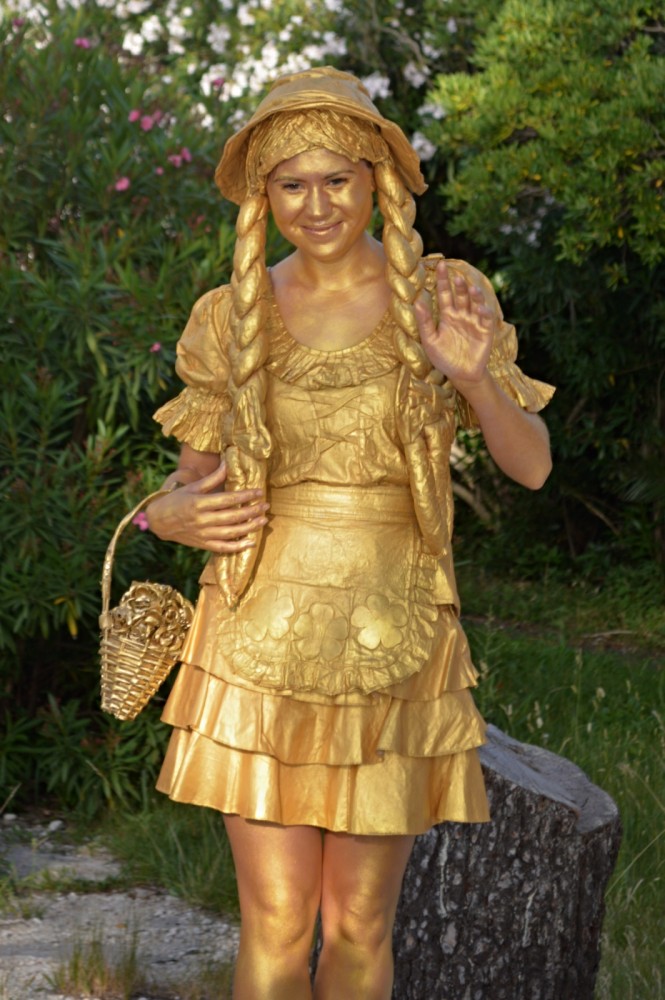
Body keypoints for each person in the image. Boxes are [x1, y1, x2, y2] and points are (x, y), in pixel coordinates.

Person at [146, 67, 554, 1000]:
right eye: (292, 184)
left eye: (337, 179)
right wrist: (160, 514)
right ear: (264, 194)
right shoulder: (230, 314)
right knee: (277, 924)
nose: (317, 204)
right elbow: (190, 482)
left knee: (362, 927)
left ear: (378, 176)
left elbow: (531, 466)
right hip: (253, 636)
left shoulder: (442, 293)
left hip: (395, 633)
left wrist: (474, 377)